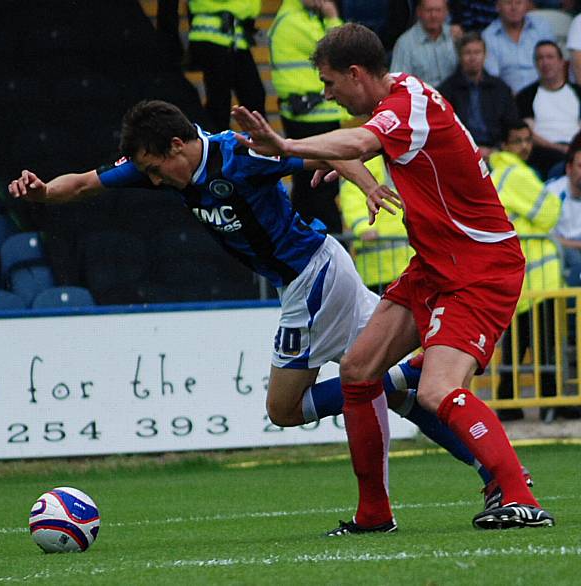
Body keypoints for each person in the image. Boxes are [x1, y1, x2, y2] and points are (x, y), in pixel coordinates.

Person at [8, 99, 500, 497]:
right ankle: (491, 473)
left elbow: (328, 151)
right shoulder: (155, 161)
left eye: (158, 170)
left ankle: (396, 377)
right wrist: (43, 193)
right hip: (314, 275)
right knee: (404, 397)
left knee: (285, 409)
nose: (154, 181)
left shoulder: (240, 155)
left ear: (178, 145)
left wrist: (369, 185)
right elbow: (87, 183)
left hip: (313, 276)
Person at [232, 22, 553, 533]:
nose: (325, 92)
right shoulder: (403, 96)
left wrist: (288, 144)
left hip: (478, 267)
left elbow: (364, 136)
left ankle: (519, 497)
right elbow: (376, 141)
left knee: (436, 390)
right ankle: (374, 515)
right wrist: (351, 161)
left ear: (356, 74)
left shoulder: (403, 108)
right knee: (359, 369)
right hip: (435, 263)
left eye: (330, 83)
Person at [488, 121, 569, 422]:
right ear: (505, 146)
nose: (524, 146)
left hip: (520, 278)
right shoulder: (516, 174)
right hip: (537, 278)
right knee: (544, 346)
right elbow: (550, 214)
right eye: (517, 141)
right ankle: (552, 404)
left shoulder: (502, 174)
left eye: (527, 140)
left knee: (519, 346)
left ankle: (510, 403)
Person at [269, 0, 348, 236]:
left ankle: (305, 241)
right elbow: (342, 51)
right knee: (320, 188)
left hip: (312, 115)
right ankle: (332, 245)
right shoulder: (292, 21)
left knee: (307, 188)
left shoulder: (306, 18)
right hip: (311, 118)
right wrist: (333, 15)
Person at [187, 0, 266, 132]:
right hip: (212, 36)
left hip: (235, 37)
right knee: (219, 103)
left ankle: (260, 145)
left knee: (254, 96)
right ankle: (217, 147)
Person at [438, 31, 518, 160]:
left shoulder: (500, 88)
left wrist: (497, 150)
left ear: (485, 55)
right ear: (459, 56)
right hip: (461, 154)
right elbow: (445, 131)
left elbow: (511, 124)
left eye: (477, 52)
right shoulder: (447, 90)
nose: (473, 58)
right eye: (467, 53)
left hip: (498, 152)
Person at [339, 156, 413, 294]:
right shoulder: (363, 163)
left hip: (409, 263)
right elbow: (352, 196)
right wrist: (363, 227)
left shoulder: (407, 158)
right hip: (376, 268)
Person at [516, 40, 581, 178]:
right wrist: (560, 149)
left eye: (550, 57)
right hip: (543, 154)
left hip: (576, 151)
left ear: (562, 62)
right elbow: (527, 133)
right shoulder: (526, 96)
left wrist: (573, 149)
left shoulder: (577, 92)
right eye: (540, 58)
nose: (545, 62)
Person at [482, 0, 554, 94]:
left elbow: (554, 65)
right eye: (508, 3)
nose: (514, 7)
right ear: (497, 6)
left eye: (519, 2)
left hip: (545, 93)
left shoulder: (541, 27)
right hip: (509, 99)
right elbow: (494, 78)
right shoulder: (488, 36)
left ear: (527, 5)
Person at [390, 0, 458, 88]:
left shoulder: (455, 36)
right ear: (419, 12)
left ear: (446, 12)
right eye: (429, 10)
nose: (433, 15)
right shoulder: (405, 44)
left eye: (438, 10)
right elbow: (398, 83)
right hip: (423, 99)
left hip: (455, 99)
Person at [548, 140, 581, 270]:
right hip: (560, 249)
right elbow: (546, 236)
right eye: (580, 166)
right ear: (569, 168)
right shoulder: (552, 192)